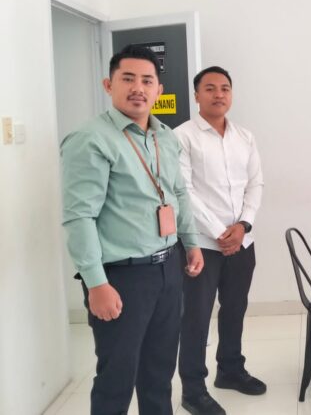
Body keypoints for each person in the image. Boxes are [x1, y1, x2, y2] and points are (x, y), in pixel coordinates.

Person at [61, 45, 204, 415]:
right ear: (109, 85)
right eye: (128, 79)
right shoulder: (90, 139)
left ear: (158, 90)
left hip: (168, 268)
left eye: (147, 81)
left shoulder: (165, 137)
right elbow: (79, 217)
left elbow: (178, 193)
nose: (138, 88)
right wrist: (96, 283)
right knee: (116, 378)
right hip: (121, 276)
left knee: (159, 372)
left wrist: (190, 242)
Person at [175, 66, 265, 415]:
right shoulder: (182, 136)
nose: (218, 94)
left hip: (242, 241)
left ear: (231, 94)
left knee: (235, 308)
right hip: (201, 245)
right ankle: (193, 390)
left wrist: (243, 225)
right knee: (196, 317)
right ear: (196, 95)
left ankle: (230, 370)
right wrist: (219, 231)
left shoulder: (245, 136)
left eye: (225, 88)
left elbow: (255, 183)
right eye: (210, 88)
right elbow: (183, 191)